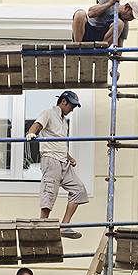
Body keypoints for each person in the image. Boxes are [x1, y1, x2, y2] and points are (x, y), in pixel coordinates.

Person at [26, 91, 88, 239]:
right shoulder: (48, 113)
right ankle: (43, 227)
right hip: (51, 159)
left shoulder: (63, 121)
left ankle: (65, 227)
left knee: (79, 190)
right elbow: (36, 126)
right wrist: (31, 134)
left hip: (63, 160)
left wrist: (69, 157)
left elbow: (59, 141)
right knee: (49, 192)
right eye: (72, 106)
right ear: (63, 102)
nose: (72, 109)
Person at [72, 0, 138, 46]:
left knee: (120, 23)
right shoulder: (108, 0)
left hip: (100, 41)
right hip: (87, 32)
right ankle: (78, 47)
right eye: (131, 15)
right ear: (127, 7)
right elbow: (90, 13)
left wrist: (117, 55)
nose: (130, 19)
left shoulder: (124, 23)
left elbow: (120, 45)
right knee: (80, 14)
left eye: (133, 18)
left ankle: (101, 49)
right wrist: (110, 3)